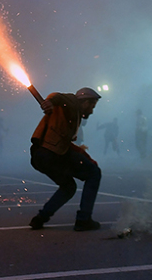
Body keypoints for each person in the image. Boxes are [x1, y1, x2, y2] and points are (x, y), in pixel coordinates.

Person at [29, 87, 103, 231]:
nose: (92, 111)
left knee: (68, 187)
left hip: (41, 156)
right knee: (94, 173)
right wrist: (49, 102)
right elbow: (57, 96)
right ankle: (83, 220)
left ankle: (40, 219)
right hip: (51, 154)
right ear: (85, 101)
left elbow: (67, 145)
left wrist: (86, 157)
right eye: (92, 106)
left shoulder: (70, 116)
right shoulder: (72, 103)